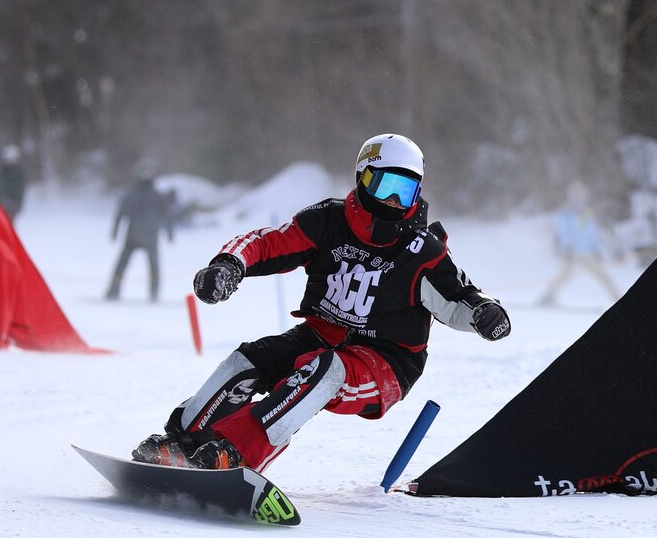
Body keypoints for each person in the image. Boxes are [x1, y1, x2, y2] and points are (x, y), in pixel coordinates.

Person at [132, 133, 512, 472]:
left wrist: (484, 313)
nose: (395, 201)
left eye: (406, 190)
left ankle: (239, 454)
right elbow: (270, 242)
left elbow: (459, 297)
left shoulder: (421, 251)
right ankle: (184, 441)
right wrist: (230, 264)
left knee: (325, 370)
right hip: (322, 335)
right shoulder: (329, 220)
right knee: (248, 360)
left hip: (385, 363)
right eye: (386, 186)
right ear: (363, 178)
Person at [537, 179, 622, 307]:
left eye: (582, 193)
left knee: (603, 276)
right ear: (570, 195)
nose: (579, 196)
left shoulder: (587, 213)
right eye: (576, 193)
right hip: (572, 253)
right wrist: (567, 248)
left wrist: (595, 249)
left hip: (587, 253)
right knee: (564, 275)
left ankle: (617, 297)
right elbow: (564, 232)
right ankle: (547, 297)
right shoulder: (565, 214)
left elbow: (592, 234)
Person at [106, 169, 176, 302]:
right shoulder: (147, 195)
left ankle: (116, 291)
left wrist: (115, 231)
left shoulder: (137, 194)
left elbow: (120, 214)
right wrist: (170, 234)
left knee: (125, 265)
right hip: (144, 237)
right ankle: (153, 293)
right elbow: (166, 216)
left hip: (138, 236)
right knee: (148, 266)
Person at [0, 145, 27, 224]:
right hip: (4, 203)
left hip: (12, 204)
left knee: (8, 224)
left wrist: (18, 203)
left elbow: (20, 190)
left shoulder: (18, 173)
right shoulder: (3, 172)